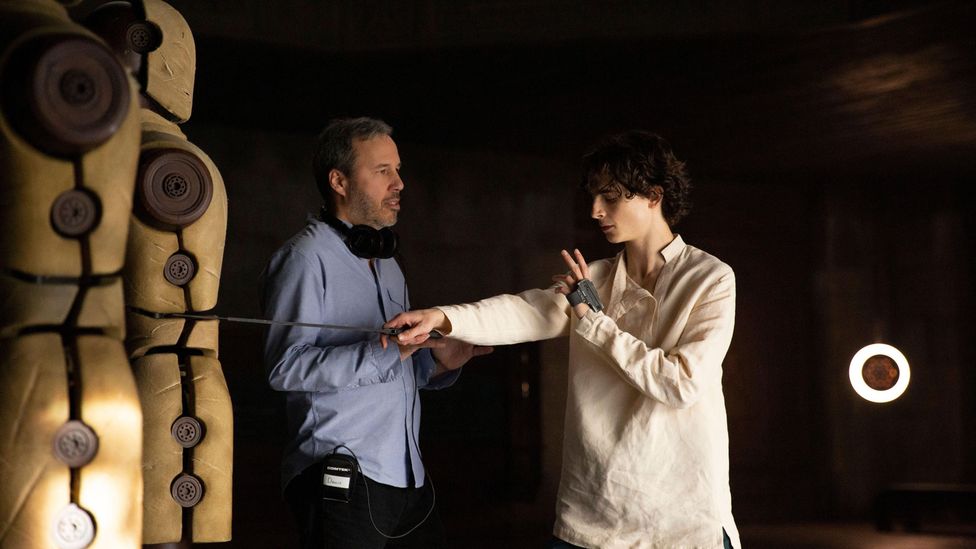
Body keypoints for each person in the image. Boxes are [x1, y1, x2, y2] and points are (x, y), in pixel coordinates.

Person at [388, 131, 740, 548]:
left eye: (610, 197)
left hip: (682, 519)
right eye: (593, 196)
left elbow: (680, 383)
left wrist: (592, 319)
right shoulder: (595, 279)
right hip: (591, 515)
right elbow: (526, 310)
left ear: (652, 195)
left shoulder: (710, 278)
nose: (595, 210)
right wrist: (443, 318)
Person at [262, 117, 491, 548]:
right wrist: (388, 354)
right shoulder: (305, 259)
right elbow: (284, 369)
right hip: (341, 475)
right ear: (339, 181)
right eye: (383, 170)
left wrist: (436, 363)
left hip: (405, 475)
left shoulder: (386, 261)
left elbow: (392, 366)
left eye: (398, 169)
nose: (399, 182)